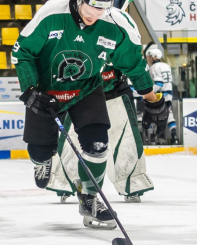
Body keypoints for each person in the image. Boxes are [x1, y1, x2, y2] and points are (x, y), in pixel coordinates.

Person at [11, 0, 166, 229]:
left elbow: (134, 66)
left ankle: (90, 197)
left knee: (98, 144)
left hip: (86, 88)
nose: (95, 12)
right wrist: (29, 90)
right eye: (91, 5)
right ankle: (41, 161)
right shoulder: (52, 12)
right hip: (46, 90)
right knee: (40, 149)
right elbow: (22, 53)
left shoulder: (117, 24)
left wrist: (152, 97)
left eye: (103, 6)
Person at [46, 61, 156, 203]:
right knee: (72, 140)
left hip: (115, 93)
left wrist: (152, 99)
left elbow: (135, 63)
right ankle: (65, 182)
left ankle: (131, 182)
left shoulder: (122, 38)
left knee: (125, 141)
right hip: (81, 94)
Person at [147, 47, 178, 144]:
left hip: (159, 95)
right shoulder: (166, 66)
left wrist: (148, 93)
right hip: (168, 94)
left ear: (155, 57)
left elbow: (159, 83)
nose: (150, 59)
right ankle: (174, 136)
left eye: (151, 57)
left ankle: (152, 138)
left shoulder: (154, 67)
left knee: (151, 115)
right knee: (169, 115)